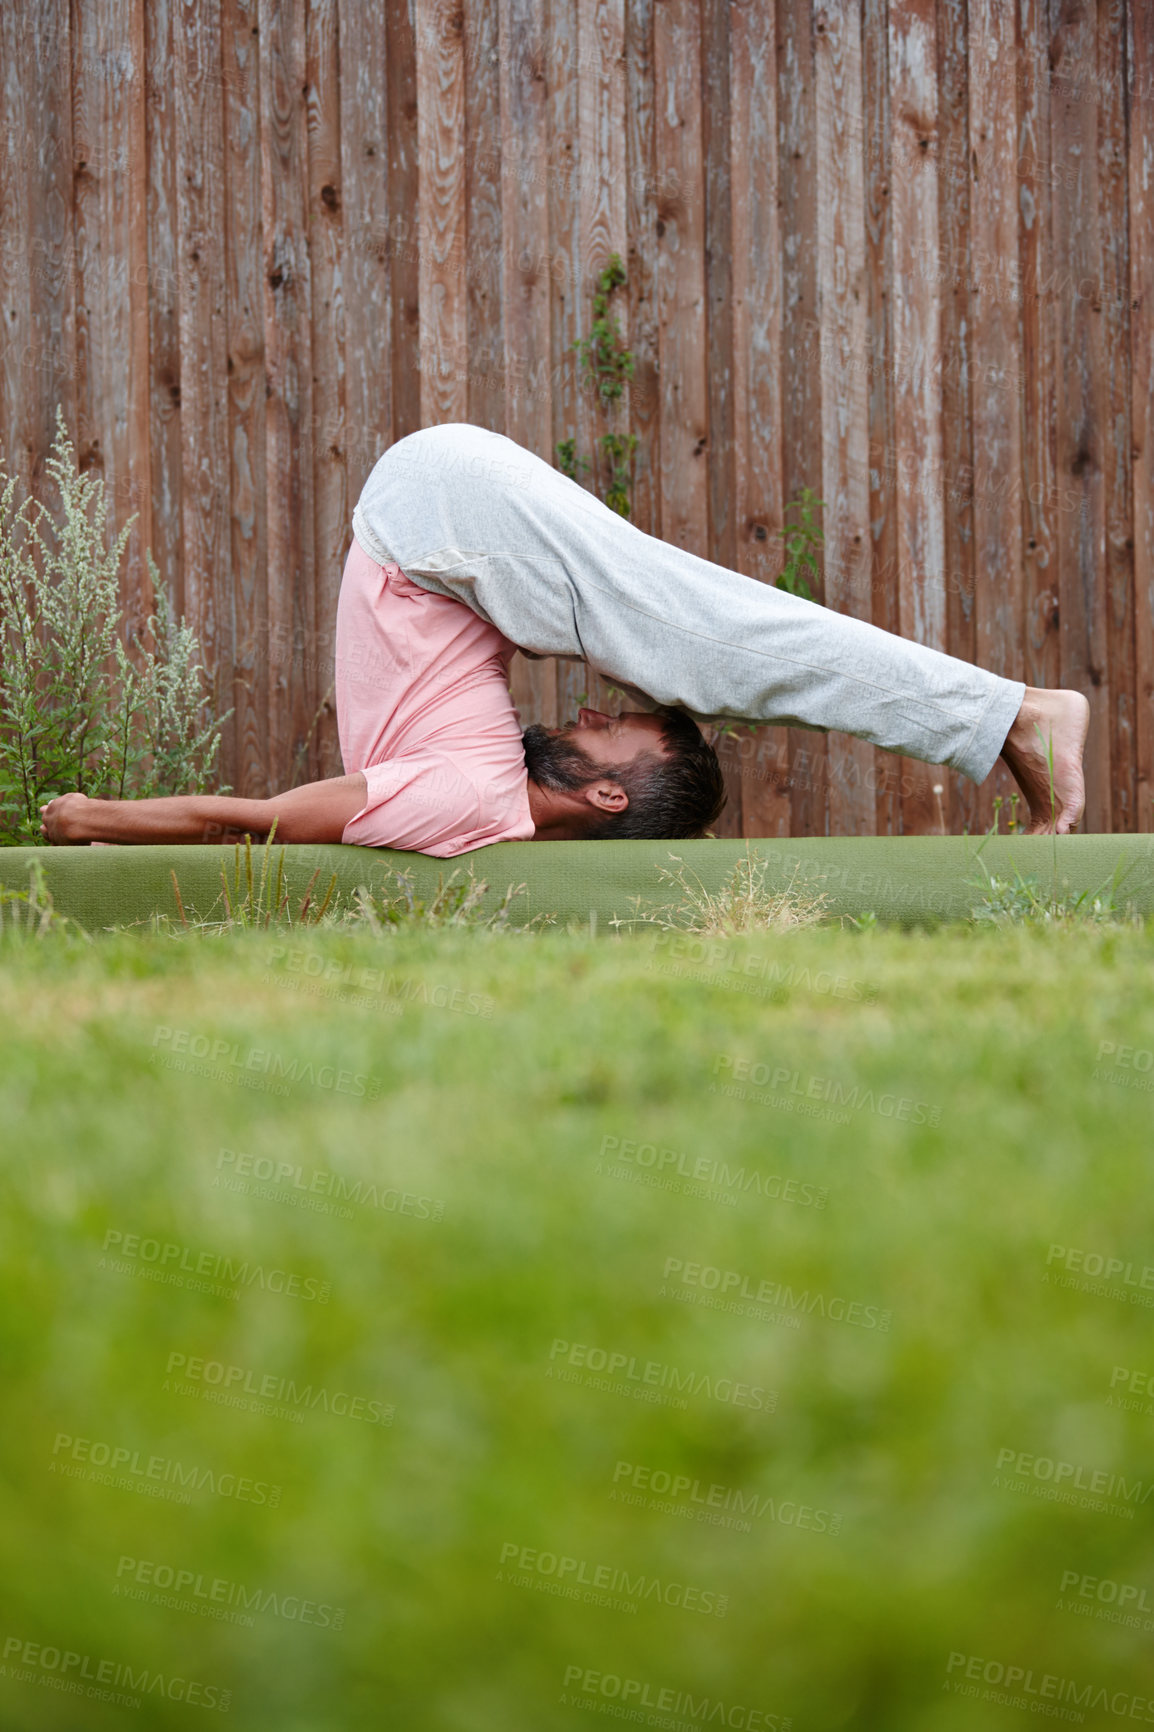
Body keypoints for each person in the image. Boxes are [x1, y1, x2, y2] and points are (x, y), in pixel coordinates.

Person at [39, 422, 1088, 852]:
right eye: (610, 716)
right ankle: (1012, 715)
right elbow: (263, 818)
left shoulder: (470, 795)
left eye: (612, 730)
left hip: (435, 516)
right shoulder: (481, 786)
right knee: (712, 653)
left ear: (604, 794)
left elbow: (258, 818)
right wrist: (90, 819)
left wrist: (101, 815)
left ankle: (1005, 718)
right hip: (437, 513)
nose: (589, 706)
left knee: (715, 657)